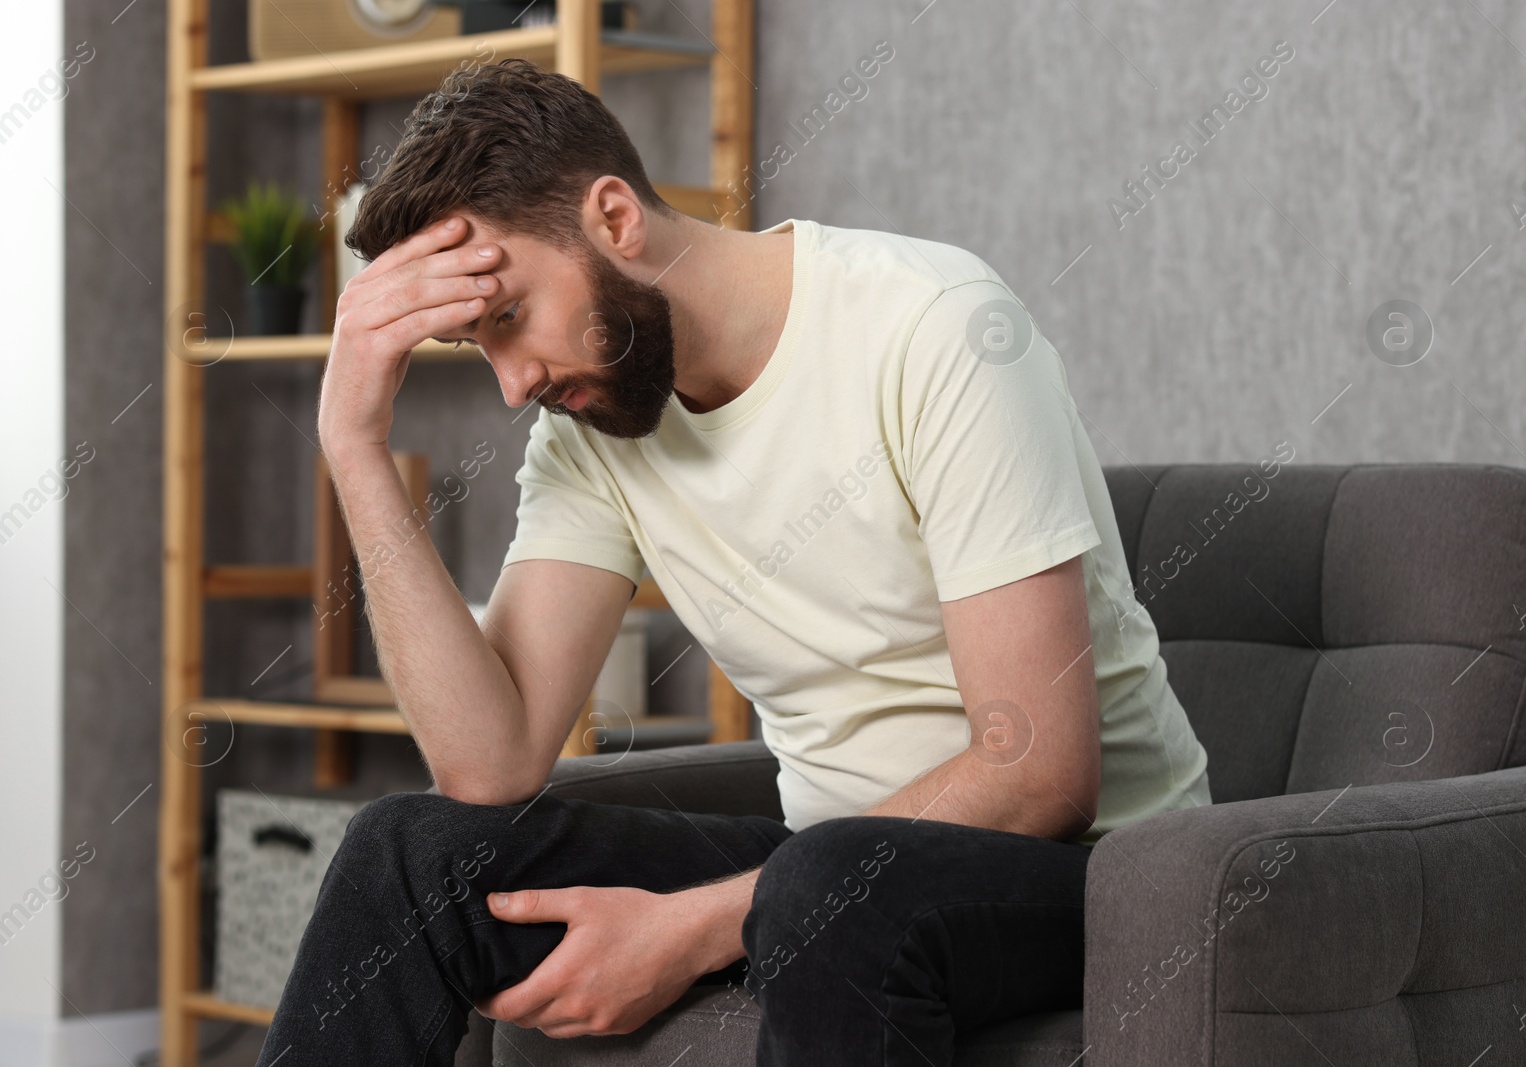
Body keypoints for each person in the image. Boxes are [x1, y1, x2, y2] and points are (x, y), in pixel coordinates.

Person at [256, 57, 1209, 1067]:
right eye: (472, 343)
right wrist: (353, 444)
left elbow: (1040, 775)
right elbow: (488, 763)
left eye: (506, 318)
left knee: (822, 883)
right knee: (408, 853)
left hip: (1095, 873)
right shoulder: (588, 433)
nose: (510, 382)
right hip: (826, 866)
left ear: (614, 217)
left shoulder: (930, 325)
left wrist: (693, 925)